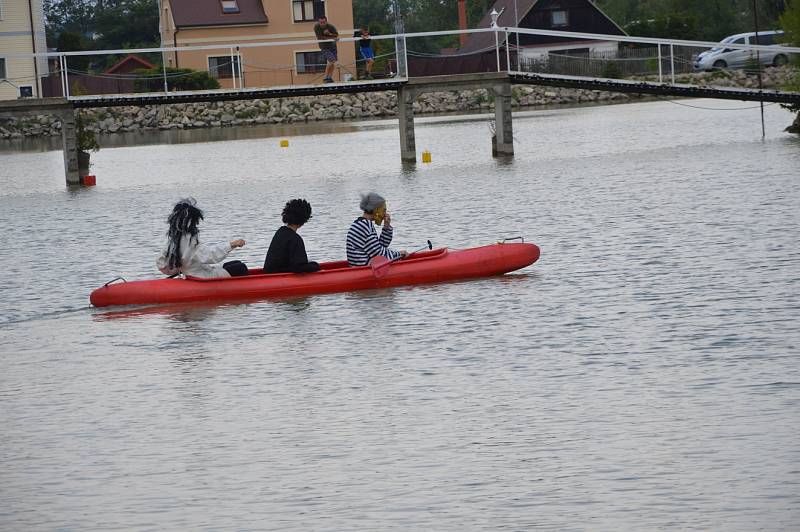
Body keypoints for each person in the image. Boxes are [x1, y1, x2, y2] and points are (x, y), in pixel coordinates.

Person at [156, 198, 249, 278]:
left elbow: (161, 264)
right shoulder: (190, 240)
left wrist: (180, 269)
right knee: (241, 267)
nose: (197, 224)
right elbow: (209, 255)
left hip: (190, 274)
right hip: (201, 277)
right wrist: (232, 245)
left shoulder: (174, 240)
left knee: (237, 263)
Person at [346, 192, 407, 267]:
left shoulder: (362, 223)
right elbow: (378, 253)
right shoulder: (364, 226)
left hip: (363, 265)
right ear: (376, 210)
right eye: (383, 210)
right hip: (363, 269)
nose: (385, 214)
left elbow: (379, 246)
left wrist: (386, 228)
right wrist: (399, 254)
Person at [264, 199, 321, 273]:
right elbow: (299, 267)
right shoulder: (295, 239)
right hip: (279, 277)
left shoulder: (280, 232)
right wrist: (316, 266)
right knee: (314, 265)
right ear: (305, 219)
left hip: (271, 273)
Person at [313, 16, 339, 83]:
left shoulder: (330, 26)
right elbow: (320, 37)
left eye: (324, 22)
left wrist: (329, 34)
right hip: (324, 47)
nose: (322, 24)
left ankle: (329, 77)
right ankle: (325, 78)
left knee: (333, 62)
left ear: (326, 21)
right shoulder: (316, 27)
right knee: (331, 60)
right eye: (321, 22)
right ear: (319, 22)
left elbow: (336, 35)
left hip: (333, 46)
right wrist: (331, 37)